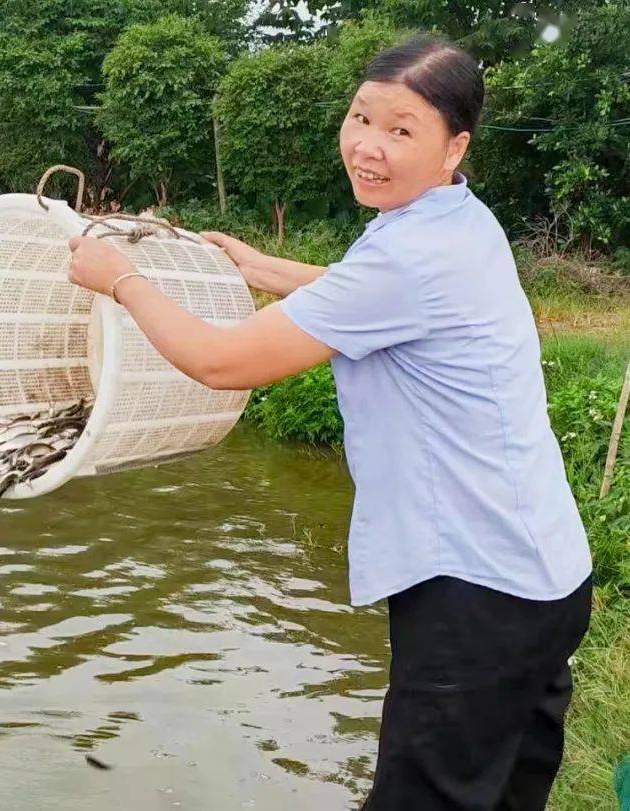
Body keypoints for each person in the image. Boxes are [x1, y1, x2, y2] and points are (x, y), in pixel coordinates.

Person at [66, 35, 593, 811]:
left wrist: (122, 279)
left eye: (401, 130)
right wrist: (256, 266)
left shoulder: (408, 256)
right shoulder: (456, 223)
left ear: (455, 147)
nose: (368, 147)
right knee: (507, 793)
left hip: (472, 594)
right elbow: (365, 296)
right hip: (546, 577)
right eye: (360, 117)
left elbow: (219, 361)